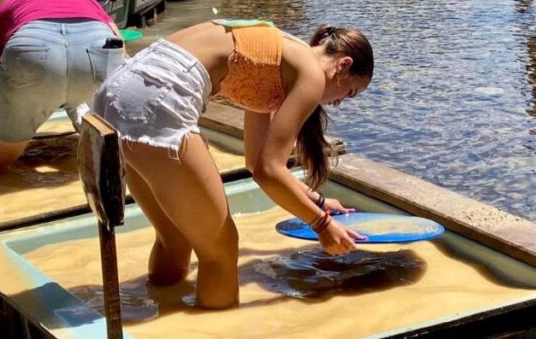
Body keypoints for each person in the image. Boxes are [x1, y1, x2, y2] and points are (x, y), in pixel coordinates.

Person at [93, 21, 374, 308]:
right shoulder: (311, 74)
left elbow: (255, 163)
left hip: (115, 93)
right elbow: (269, 171)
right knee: (221, 249)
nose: (339, 103)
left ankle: (162, 310)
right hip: (155, 104)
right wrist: (322, 225)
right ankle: (218, 328)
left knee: (174, 237)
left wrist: (318, 201)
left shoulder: (279, 54)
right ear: (343, 64)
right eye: (349, 93)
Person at [0, 0, 124, 178]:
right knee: (110, 163)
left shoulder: (10, 5)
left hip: (32, 48)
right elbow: (122, 56)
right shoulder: (87, 1)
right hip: (98, 47)